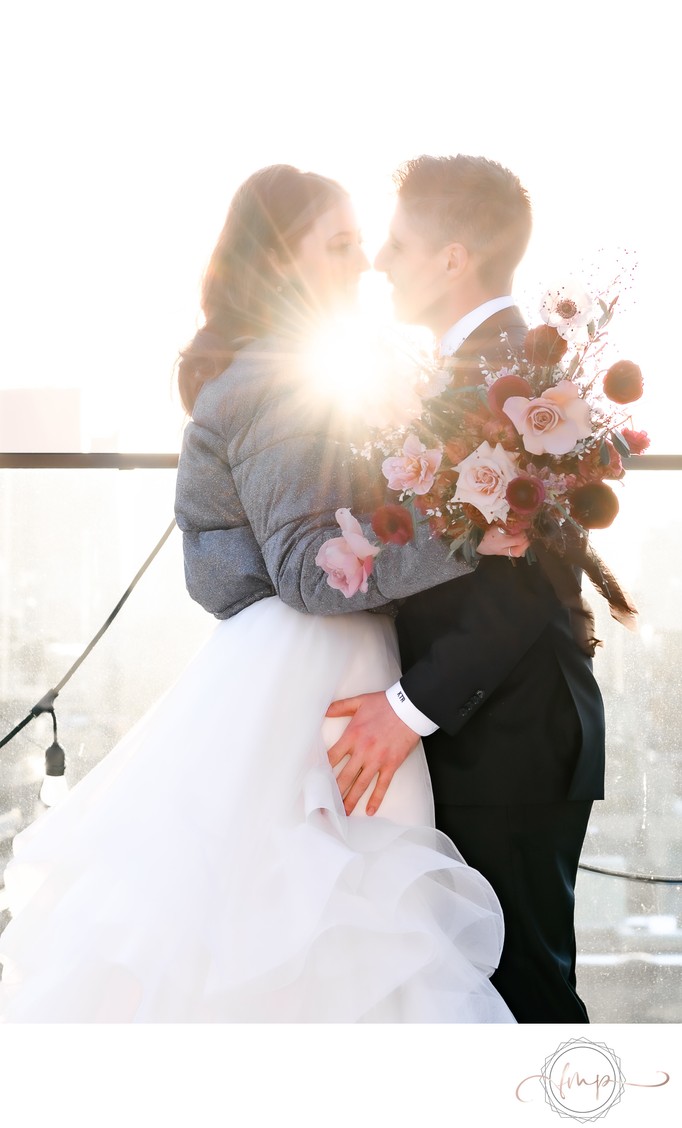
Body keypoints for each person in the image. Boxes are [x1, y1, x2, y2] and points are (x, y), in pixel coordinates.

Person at [0, 163, 523, 1023]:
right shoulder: (282, 381)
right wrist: (468, 534)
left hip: (286, 668)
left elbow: (232, 572)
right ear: (285, 262)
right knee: (324, 923)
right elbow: (309, 569)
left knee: (280, 918)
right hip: (314, 668)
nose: (364, 262)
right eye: (343, 243)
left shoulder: (280, 372)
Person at [322, 155, 607, 1024]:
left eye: (398, 244)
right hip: (482, 733)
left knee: (521, 996)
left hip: (513, 738)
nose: (378, 262)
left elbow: (517, 587)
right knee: (469, 992)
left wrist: (405, 709)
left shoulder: (520, 380)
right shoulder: (469, 372)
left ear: (454, 258)